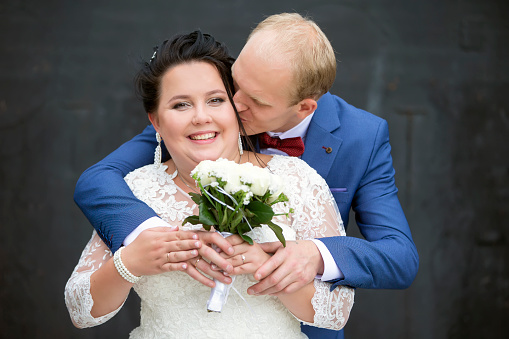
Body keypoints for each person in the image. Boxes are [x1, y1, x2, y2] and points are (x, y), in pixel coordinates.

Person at [73, 13, 418, 339]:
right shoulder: (203, 117)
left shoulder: (358, 140)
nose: (232, 106)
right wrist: (142, 242)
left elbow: (397, 257)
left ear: (303, 108)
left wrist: (311, 255)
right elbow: (97, 181)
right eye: (233, 86)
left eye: (250, 100)